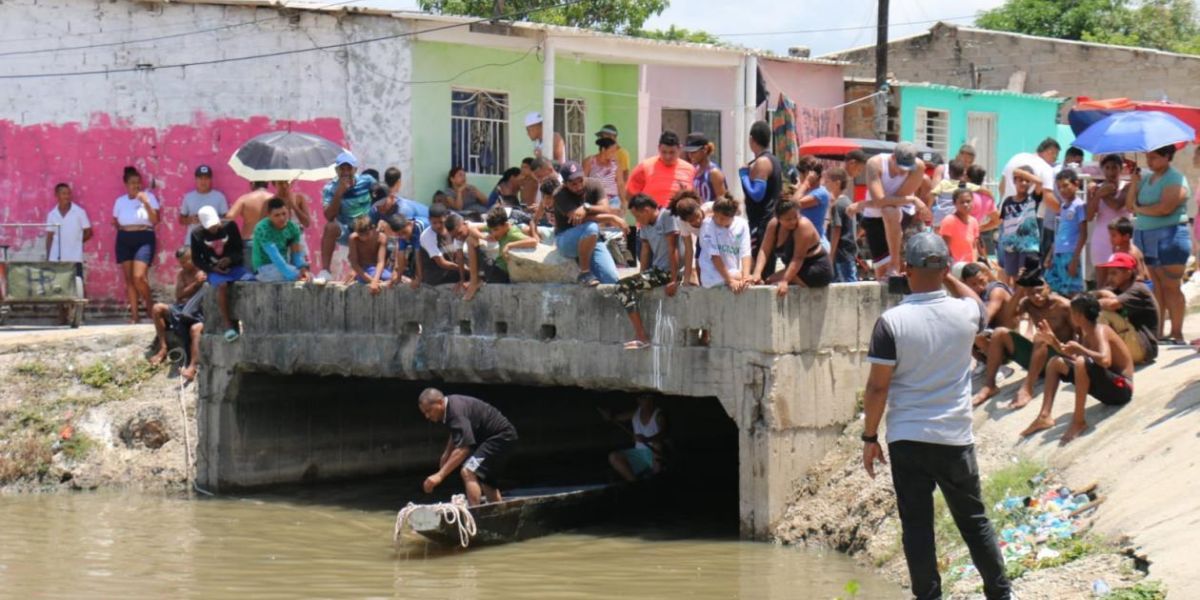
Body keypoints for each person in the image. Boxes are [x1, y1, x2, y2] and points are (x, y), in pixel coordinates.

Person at [861, 232, 1012, 600]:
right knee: (974, 522)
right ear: (946, 268)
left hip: (907, 438)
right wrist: (948, 276)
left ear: (905, 268)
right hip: (954, 438)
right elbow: (976, 300)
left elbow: (878, 388)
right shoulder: (966, 312)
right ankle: (1001, 594)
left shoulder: (891, 323)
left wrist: (869, 438)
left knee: (916, 527)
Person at [1019, 294, 1134, 444]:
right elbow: (1073, 357)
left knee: (1081, 362)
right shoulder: (1086, 332)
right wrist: (1053, 340)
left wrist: (1080, 349)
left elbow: (1105, 361)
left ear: (1078, 316)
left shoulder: (1100, 330)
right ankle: (1044, 416)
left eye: (1072, 312)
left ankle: (1078, 421)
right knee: (1055, 362)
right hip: (1106, 385)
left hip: (1122, 388)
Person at [972, 275, 1076, 408]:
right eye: (1031, 293)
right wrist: (1020, 289)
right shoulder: (1028, 303)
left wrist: (1072, 356)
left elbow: (1079, 334)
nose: (1036, 296)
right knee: (999, 333)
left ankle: (1027, 388)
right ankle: (990, 385)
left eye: (1040, 290)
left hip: (1060, 357)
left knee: (1041, 337)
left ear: (1048, 288)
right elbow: (1008, 316)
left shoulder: (1064, 305)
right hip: (1039, 358)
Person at [1128, 144, 1192, 343]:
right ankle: (1158, 331)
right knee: (1156, 286)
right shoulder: (1146, 178)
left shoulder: (1175, 178)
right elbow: (1130, 205)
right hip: (1146, 236)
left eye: (1154, 157)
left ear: (1167, 157)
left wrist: (1141, 209)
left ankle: (1177, 332)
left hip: (1170, 235)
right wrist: (1133, 182)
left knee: (1171, 285)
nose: (1149, 161)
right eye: (1148, 157)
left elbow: (1165, 208)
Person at [418, 388, 518, 506]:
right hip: (495, 438)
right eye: (424, 413)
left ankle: (475, 516)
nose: (427, 416)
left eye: (429, 411)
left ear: (440, 402)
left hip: (501, 437)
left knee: (468, 471)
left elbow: (463, 449)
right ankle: (498, 517)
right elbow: (458, 431)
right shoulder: (451, 408)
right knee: (486, 481)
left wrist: (439, 475)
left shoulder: (455, 411)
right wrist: (447, 453)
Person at [536, 161, 620, 286]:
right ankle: (584, 273)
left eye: (580, 180)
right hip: (566, 238)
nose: (579, 186)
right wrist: (612, 218)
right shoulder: (559, 195)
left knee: (612, 280)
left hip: (592, 238)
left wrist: (586, 208)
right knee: (592, 227)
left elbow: (605, 208)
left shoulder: (594, 184)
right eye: (573, 184)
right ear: (564, 184)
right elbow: (578, 219)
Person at [850, 143, 927, 279]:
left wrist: (863, 204)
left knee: (889, 210)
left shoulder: (918, 166)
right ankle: (889, 269)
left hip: (900, 211)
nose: (904, 172)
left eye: (908, 169)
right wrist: (912, 199)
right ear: (893, 158)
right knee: (881, 272)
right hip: (874, 214)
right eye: (901, 168)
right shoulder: (875, 163)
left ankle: (895, 263)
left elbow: (894, 201)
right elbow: (880, 201)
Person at [617, 194, 681, 350]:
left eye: (637, 215)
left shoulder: (666, 216)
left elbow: (673, 248)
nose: (637, 220)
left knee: (622, 287)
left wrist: (674, 279)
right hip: (657, 270)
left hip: (668, 272)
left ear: (646, 210)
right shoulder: (645, 225)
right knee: (626, 284)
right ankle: (641, 336)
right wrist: (642, 275)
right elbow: (645, 251)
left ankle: (641, 336)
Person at [190, 206, 252, 342]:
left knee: (251, 281)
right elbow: (196, 259)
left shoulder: (230, 226)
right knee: (222, 286)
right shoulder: (196, 234)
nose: (213, 229)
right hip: (215, 270)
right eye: (209, 226)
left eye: (214, 225)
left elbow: (238, 249)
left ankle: (251, 322)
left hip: (235, 267)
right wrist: (212, 269)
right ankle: (228, 325)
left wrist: (230, 259)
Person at [751, 198, 832, 294]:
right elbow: (764, 250)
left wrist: (785, 280)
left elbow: (798, 257)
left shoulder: (803, 225)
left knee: (772, 281)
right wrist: (757, 273)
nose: (793, 221)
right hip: (796, 268)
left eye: (795, 216)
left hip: (816, 268)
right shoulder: (773, 225)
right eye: (788, 219)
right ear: (779, 218)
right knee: (767, 280)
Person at [148, 247, 206, 381]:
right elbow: (179, 295)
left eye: (185, 262)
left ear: (193, 259)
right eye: (181, 262)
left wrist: (197, 284)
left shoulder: (202, 272)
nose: (183, 265)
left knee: (195, 329)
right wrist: (195, 285)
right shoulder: (182, 274)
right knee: (157, 308)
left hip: (198, 312)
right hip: (181, 309)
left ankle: (192, 366)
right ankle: (163, 348)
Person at [112, 166, 160, 324]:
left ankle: (149, 305)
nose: (136, 186)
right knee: (129, 279)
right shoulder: (120, 201)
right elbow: (115, 221)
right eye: (132, 183)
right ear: (126, 184)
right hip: (124, 238)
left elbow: (154, 220)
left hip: (144, 236)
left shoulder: (149, 197)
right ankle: (135, 316)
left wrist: (145, 203)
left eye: (138, 182)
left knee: (139, 277)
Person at [1095, 252, 1159, 366]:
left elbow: (1112, 304)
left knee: (1103, 314)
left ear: (1128, 273)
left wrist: (1102, 296)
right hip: (1133, 343)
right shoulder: (1118, 289)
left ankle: (1102, 357)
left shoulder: (1138, 289)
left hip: (1144, 348)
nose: (1110, 277)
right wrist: (1100, 292)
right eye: (1109, 273)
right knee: (1088, 313)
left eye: (1114, 273)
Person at [320, 151, 376, 280]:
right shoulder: (330, 188)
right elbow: (329, 216)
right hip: (347, 230)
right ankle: (325, 271)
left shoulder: (367, 181)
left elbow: (380, 198)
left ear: (355, 169)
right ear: (337, 170)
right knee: (330, 227)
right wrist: (339, 193)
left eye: (348, 168)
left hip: (368, 228)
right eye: (342, 168)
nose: (345, 172)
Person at [1000, 139, 1060, 259]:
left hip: (1007, 214)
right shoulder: (1045, 168)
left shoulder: (1016, 157)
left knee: (1006, 263)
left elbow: (1001, 187)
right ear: (1049, 152)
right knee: (1028, 265)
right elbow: (1048, 198)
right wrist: (1064, 209)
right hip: (1030, 220)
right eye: (1055, 156)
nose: (1055, 160)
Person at [740, 121, 784, 278]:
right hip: (768, 220)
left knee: (760, 269)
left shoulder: (762, 162)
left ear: (751, 140)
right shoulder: (774, 160)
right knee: (765, 267)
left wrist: (744, 176)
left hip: (762, 223)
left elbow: (757, 195)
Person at [1088, 154, 1132, 287]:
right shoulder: (1096, 189)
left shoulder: (1127, 187)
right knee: (1101, 283)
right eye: (1107, 168)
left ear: (1121, 169)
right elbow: (1089, 215)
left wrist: (1101, 193)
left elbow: (1117, 205)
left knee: (1124, 281)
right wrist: (1098, 194)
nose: (1111, 171)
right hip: (1101, 239)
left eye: (1114, 167)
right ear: (1103, 170)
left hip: (1123, 240)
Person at [996, 166, 1044, 287]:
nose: (1023, 183)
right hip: (1010, 245)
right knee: (1010, 277)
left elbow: (1039, 182)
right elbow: (1002, 221)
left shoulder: (1033, 199)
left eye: (1027, 180)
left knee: (1025, 277)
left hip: (1028, 246)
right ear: (1014, 181)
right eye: (1020, 180)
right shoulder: (1007, 201)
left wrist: (1020, 172)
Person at [602, 396, 668, 481]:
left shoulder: (659, 415)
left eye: (644, 397)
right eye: (639, 398)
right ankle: (635, 484)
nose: (640, 400)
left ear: (651, 399)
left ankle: (656, 479)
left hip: (654, 453)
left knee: (657, 445)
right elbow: (614, 418)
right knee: (613, 456)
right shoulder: (635, 413)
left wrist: (647, 439)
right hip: (639, 454)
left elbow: (663, 434)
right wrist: (608, 416)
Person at [1044, 169, 1088, 297]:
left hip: (1070, 254)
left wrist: (1075, 259)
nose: (1062, 190)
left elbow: (1083, 234)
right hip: (1058, 253)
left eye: (1065, 185)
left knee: (1072, 290)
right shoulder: (1063, 207)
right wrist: (1050, 254)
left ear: (1076, 184)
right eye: (1059, 187)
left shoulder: (1080, 206)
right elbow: (1060, 233)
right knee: (1052, 287)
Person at [627, 131, 696, 208]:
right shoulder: (644, 167)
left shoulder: (690, 169)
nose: (667, 157)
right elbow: (630, 194)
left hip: (681, 217)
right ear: (658, 148)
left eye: (672, 152)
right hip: (652, 218)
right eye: (664, 152)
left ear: (679, 149)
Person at [699, 196, 753, 292]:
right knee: (737, 276)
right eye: (716, 216)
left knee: (748, 278)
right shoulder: (707, 225)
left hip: (733, 272)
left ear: (732, 216)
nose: (718, 220)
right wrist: (730, 280)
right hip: (712, 275)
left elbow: (745, 252)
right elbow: (714, 256)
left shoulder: (742, 224)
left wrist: (746, 277)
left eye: (723, 218)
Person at [252, 197, 311, 283]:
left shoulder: (293, 228)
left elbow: (296, 254)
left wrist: (302, 269)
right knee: (296, 276)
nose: (282, 218)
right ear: (269, 216)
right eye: (277, 215)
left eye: (284, 214)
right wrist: (294, 274)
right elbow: (274, 255)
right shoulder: (262, 228)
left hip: (285, 267)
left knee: (309, 277)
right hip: (263, 269)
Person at [44, 182, 93, 284]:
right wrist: (48, 256)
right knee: (57, 285)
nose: (67, 196)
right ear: (56, 195)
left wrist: (77, 242)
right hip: (56, 257)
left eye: (68, 193)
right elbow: (49, 237)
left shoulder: (79, 212)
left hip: (74, 257)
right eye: (63, 193)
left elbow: (89, 232)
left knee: (77, 285)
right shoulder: (52, 214)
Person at [584, 137, 629, 228]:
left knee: (616, 227)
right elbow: (583, 181)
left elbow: (620, 184)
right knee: (599, 226)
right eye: (612, 151)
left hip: (613, 199)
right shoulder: (590, 161)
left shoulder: (615, 164)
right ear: (603, 150)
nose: (614, 154)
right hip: (596, 200)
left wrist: (624, 202)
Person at [416, 205, 466, 287]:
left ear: (446, 218)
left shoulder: (452, 228)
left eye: (441, 222)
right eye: (434, 223)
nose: (438, 226)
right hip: (438, 275)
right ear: (429, 219)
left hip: (454, 268)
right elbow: (442, 263)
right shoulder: (427, 236)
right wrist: (464, 269)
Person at [825, 168, 858, 284]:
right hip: (849, 251)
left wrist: (831, 254)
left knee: (845, 284)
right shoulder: (848, 202)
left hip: (841, 253)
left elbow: (836, 229)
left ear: (837, 183)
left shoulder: (837, 205)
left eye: (828, 181)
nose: (825, 184)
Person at [669, 190, 707, 287]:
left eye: (698, 216)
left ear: (699, 208)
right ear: (684, 220)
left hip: (721, 239)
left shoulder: (711, 210)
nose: (697, 221)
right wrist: (686, 279)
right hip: (703, 240)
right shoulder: (682, 223)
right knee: (699, 264)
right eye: (691, 221)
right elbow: (689, 251)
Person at [226, 182, 274, 257]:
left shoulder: (245, 198)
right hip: (269, 240)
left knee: (249, 268)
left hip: (249, 239)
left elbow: (229, 217)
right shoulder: (274, 198)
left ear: (253, 184)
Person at [346, 216, 390, 295]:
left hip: (377, 270)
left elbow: (381, 262)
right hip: (363, 271)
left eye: (366, 234)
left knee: (389, 277)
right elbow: (354, 263)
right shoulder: (353, 239)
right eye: (360, 235)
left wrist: (375, 280)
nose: (363, 238)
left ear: (372, 229)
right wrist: (370, 280)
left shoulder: (381, 237)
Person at [178, 165, 228, 235]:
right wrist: (190, 220)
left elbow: (226, 219)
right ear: (196, 179)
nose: (203, 181)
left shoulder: (219, 197)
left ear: (211, 179)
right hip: (192, 241)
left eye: (206, 178)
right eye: (200, 178)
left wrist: (213, 220)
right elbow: (181, 219)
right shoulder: (188, 197)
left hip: (213, 241)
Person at [940, 187, 983, 264]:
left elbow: (974, 246)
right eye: (962, 202)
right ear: (955, 203)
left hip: (971, 267)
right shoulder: (949, 220)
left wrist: (974, 262)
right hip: (956, 266)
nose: (966, 204)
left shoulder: (974, 221)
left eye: (968, 201)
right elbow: (944, 247)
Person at [684, 131, 726, 204]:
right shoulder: (695, 171)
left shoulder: (714, 173)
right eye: (688, 152)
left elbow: (724, 204)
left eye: (694, 152)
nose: (690, 155)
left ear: (705, 149)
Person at [380, 214, 421, 288]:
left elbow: (418, 257)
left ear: (409, 224)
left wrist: (419, 278)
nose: (403, 236)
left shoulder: (418, 229)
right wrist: (398, 278)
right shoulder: (402, 235)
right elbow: (400, 256)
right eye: (399, 234)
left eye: (404, 232)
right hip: (418, 248)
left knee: (416, 257)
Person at [1106, 217, 1149, 282]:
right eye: (1110, 235)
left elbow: (1141, 276)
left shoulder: (1132, 253)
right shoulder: (1117, 249)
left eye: (1114, 235)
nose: (1110, 238)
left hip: (1141, 284)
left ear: (1126, 237)